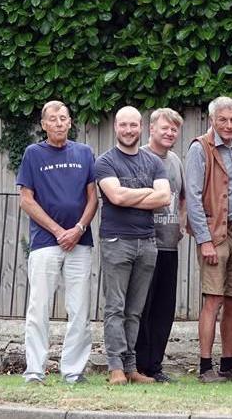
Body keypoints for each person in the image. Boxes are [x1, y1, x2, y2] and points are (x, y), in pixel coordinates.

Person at [17, 101, 98, 384]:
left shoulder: (85, 153)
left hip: (80, 242)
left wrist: (77, 229)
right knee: (38, 308)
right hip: (44, 243)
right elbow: (26, 200)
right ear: (44, 124)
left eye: (64, 118)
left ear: (70, 122)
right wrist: (57, 231)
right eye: (53, 119)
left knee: (80, 310)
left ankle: (73, 371)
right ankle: (35, 371)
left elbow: (93, 198)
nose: (59, 123)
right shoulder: (32, 154)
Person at [95, 106, 170, 385]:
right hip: (116, 241)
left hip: (147, 242)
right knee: (115, 307)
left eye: (133, 125)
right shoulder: (105, 161)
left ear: (141, 128)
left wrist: (131, 196)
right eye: (123, 125)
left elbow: (164, 198)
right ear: (115, 127)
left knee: (135, 310)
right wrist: (147, 193)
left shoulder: (154, 162)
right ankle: (115, 367)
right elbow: (115, 196)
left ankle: (131, 368)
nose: (128, 130)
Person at [185, 96, 232, 382]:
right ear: (211, 120)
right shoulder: (199, 148)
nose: (228, 125)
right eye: (222, 120)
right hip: (214, 235)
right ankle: (205, 367)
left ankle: (227, 364)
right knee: (213, 300)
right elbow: (192, 197)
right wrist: (204, 240)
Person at [134, 108, 185, 383]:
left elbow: (184, 197)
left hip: (169, 246)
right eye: (164, 128)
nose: (169, 133)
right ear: (151, 128)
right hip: (143, 244)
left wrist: (182, 225)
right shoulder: (139, 157)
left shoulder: (175, 160)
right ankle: (138, 366)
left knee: (164, 309)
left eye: (174, 129)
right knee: (142, 307)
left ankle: (155, 366)